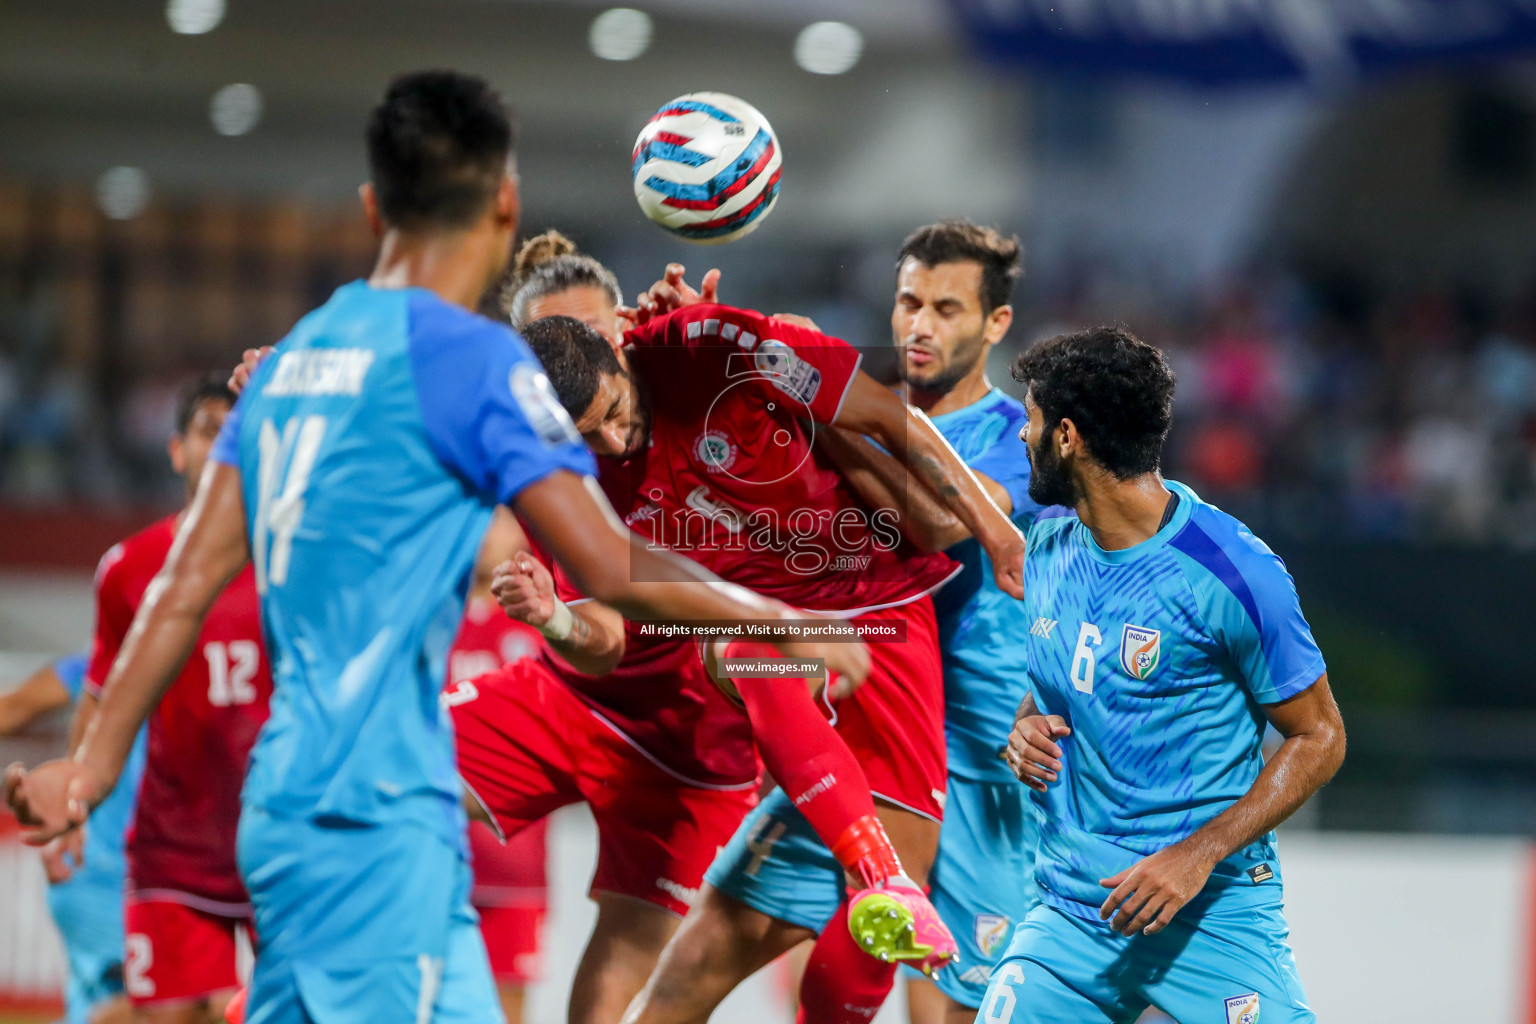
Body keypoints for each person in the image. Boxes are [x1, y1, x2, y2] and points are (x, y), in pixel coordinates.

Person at [4, 69, 865, 1024]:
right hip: (376, 805)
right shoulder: (475, 362)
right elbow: (614, 568)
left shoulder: (298, 353)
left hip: (293, 795)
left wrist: (85, 767)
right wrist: (782, 618)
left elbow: (181, 583)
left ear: (375, 205)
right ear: (506, 204)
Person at [516, 294, 1027, 1023]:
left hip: (883, 613)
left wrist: (996, 531)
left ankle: (884, 881)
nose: (612, 443)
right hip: (766, 634)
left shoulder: (714, 346)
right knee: (738, 652)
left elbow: (887, 417)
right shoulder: (568, 486)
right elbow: (621, 616)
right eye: (585, 436)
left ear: (617, 351)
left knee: (880, 926)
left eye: (613, 412)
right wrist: (559, 621)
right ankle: (873, 867)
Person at [443, 234, 764, 1024]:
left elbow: (819, 389)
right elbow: (609, 631)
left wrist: (728, 335)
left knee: (626, 970)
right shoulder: (528, 449)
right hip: (571, 695)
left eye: (596, 339)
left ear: (627, 330)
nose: (576, 367)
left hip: (700, 743)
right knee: (366, 780)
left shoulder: (699, 390)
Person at [993, 326, 1345, 1024]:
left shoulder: (1233, 571)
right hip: (1070, 911)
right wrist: (1024, 725)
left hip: (1212, 911)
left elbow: (1321, 737)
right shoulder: (1050, 546)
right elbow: (1068, 677)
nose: (1020, 439)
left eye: (1029, 422)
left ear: (1067, 437)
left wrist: (1195, 855)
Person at [817, 221, 1043, 1024]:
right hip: (860, 743)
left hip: (980, 765)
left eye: (947, 309)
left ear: (996, 324)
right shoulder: (856, 413)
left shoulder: (1021, 439)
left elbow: (940, 527)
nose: (920, 325)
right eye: (910, 302)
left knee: (948, 1012)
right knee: (709, 949)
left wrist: (831, 419)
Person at [80, 374, 272, 1024]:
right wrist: (77, 792)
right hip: (174, 850)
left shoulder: (295, 558)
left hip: (279, 844)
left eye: (235, 435)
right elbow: (102, 695)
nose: (223, 448)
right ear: (178, 451)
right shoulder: (130, 569)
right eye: (209, 432)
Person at [1, 654, 141, 1024]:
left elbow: (15, 707)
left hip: (86, 867)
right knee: (166, 1007)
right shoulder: (133, 653)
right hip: (119, 880)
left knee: (102, 1009)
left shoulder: (103, 658)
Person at [446, 509, 546, 1024]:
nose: (487, 532)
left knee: (506, 1014)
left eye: (498, 516)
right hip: (435, 861)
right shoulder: (431, 619)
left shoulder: (546, 624)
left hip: (515, 867)